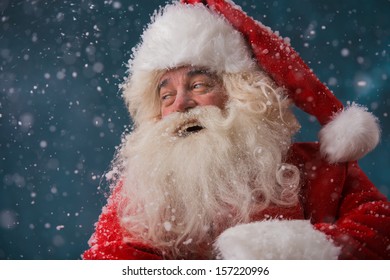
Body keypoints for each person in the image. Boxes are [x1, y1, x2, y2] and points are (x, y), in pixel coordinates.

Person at [82, 0, 390, 260]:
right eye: (166, 96)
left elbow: (381, 232)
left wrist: (289, 250)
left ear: (241, 94)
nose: (181, 104)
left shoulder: (322, 169)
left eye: (199, 85)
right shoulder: (144, 188)